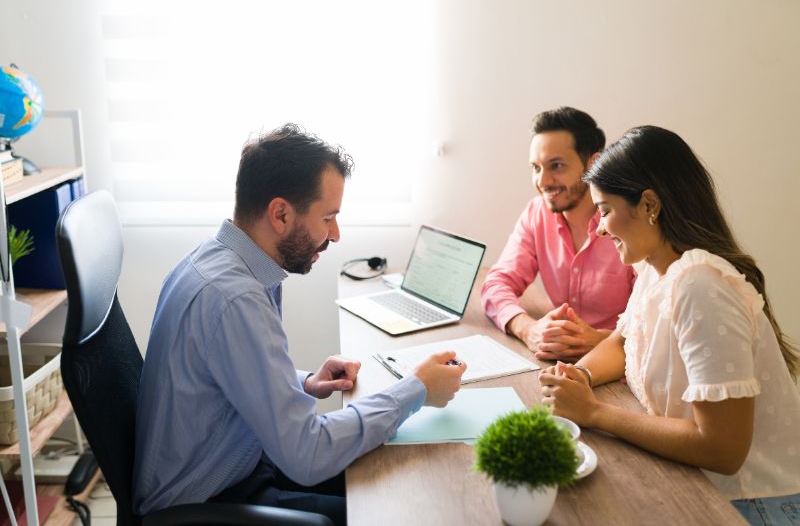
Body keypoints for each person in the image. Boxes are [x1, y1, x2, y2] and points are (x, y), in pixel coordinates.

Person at [133, 124, 466, 525]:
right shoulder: (235, 298)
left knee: (397, 473)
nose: (335, 234)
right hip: (207, 498)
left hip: (234, 460)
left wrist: (302, 382)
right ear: (280, 213)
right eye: (327, 218)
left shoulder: (222, 260)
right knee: (393, 510)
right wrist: (417, 389)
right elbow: (308, 455)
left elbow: (221, 371)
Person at [539, 125, 800, 525]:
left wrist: (594, 413)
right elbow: (621, 344)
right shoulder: (656, 267)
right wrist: (578, 377)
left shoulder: (701, 287)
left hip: (752, 504)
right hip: (695, 482)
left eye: (605, 210)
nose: (601, 227)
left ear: (649, 205)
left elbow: (722, 451)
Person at [481, 106, 635, 362]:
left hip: (624, 367)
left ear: (593, 163)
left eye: (556, 166)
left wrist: (599, 340)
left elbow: (658, 322)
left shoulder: (630, 220)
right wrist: (527, 328)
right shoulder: (537, 213)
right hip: (558, 362)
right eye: (536, 167)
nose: (543, 181)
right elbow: (497, 283)